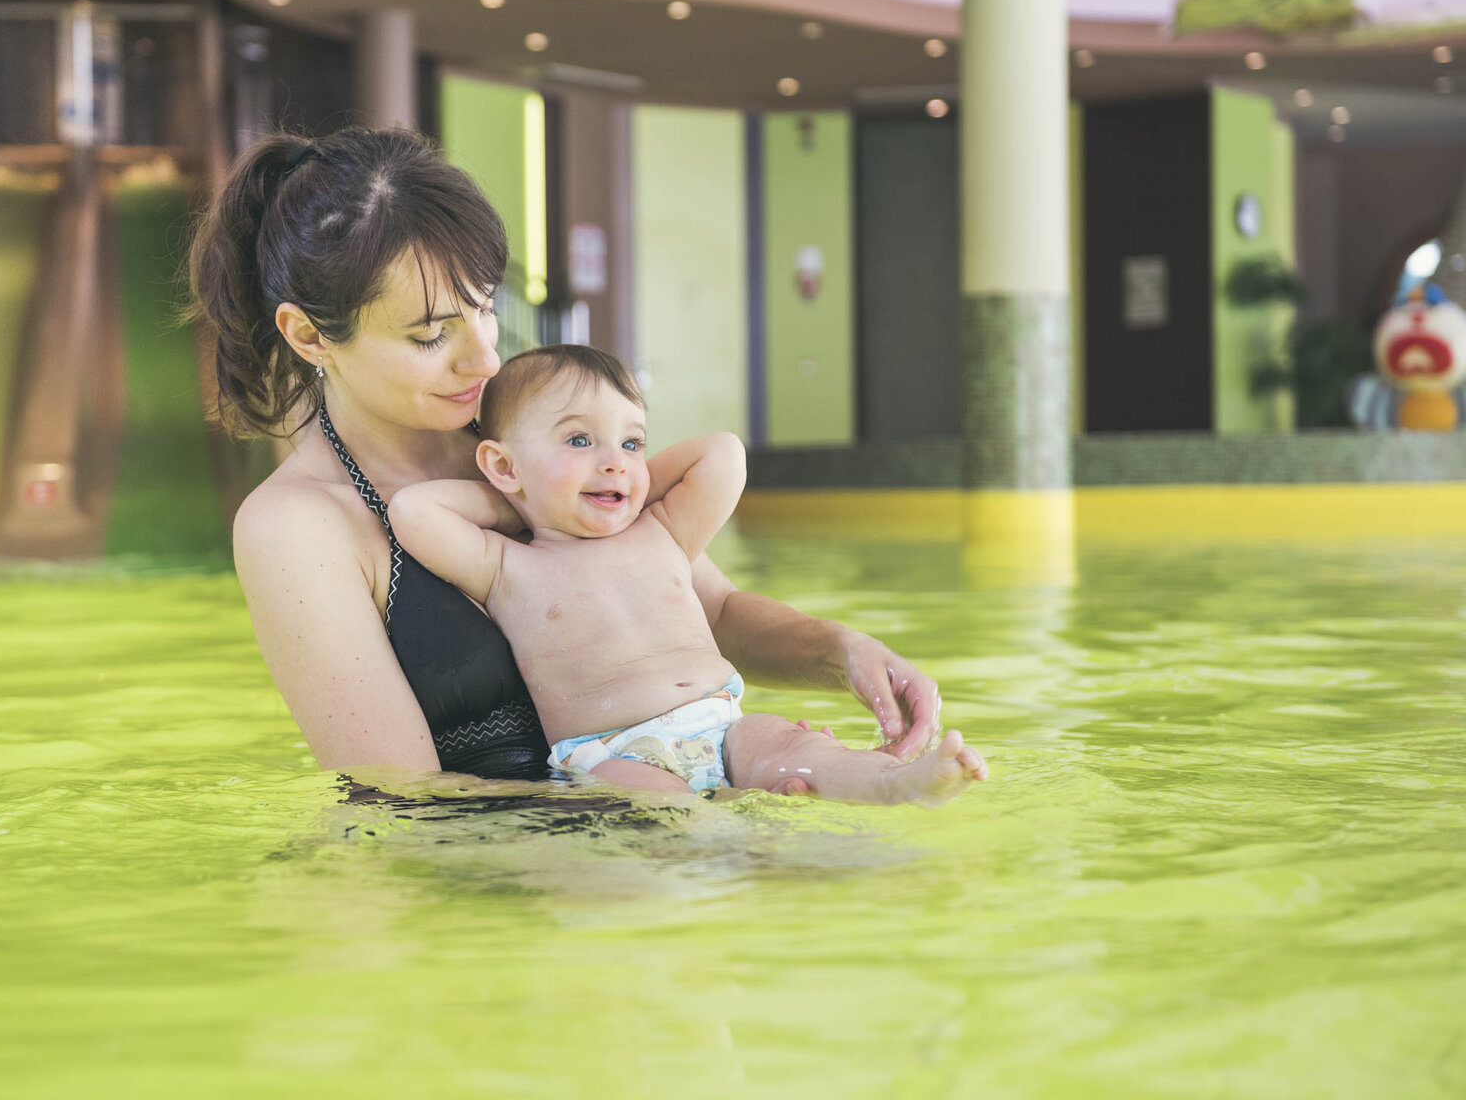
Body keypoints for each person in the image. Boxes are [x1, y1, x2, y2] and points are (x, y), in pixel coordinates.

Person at [187, 126, 947, 788]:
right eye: (430, 335)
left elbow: (705, 609)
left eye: (486, 307)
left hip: (680, 806)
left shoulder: (539, 441)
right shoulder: (298, 527)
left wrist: (843, 653)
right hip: (520, 878)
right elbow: (404, 797)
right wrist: (669, 814)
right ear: (309, 336)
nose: (482, 359)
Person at [386, 345, 988, 801]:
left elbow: (723, 454)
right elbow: (413, 512)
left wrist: (622, 479)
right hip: (614, 753)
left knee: (795, 748)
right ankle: (722, 845)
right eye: (578, 440)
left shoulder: (661, 534)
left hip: (721, 724)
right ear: (501, 465)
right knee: (656, 811)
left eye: (631, 443)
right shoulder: (507, 566)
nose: (613, 464)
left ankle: (897, 782)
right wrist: (516, 498)